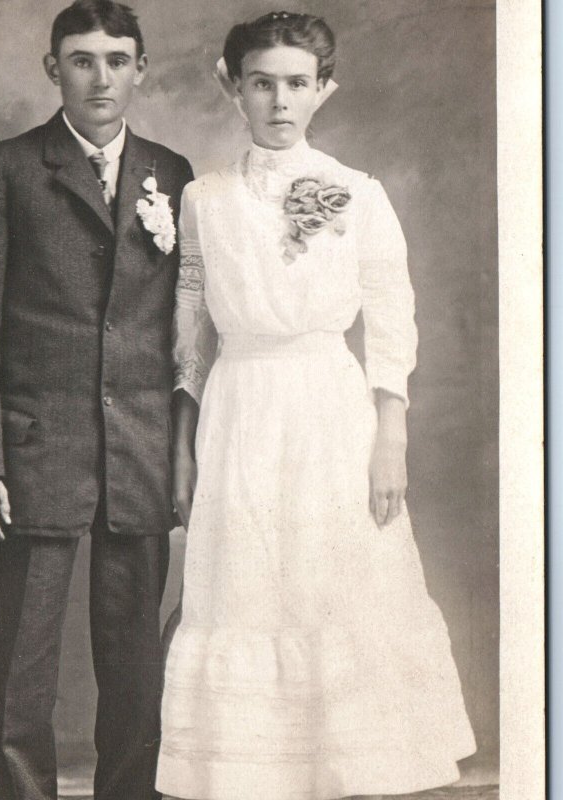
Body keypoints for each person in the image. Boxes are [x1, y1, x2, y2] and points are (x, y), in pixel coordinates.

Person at [156, 11, 476, 800]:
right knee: (248, 584)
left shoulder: (358, 194)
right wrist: (184, 442)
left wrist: (390, 433)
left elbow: (390, 310)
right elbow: (189, 327)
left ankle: (352, 771)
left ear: (324, 89)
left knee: (338, 581)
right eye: (261, 83)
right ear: (232, 88)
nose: (279, 101)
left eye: (297, 83)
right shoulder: (205, 198)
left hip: (331, 409)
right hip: (241, 410)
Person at [0, 2, 193, 798]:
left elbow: (186, 328)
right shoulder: (0, 170)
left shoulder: (173, 175)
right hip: (32, 452)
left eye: (117, 59)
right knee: (20, 671)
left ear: (141, 69)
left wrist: (186, 449)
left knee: (136, 674)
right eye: (81, 59)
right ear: (53, 69)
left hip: (138, 451)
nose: (100, 77)